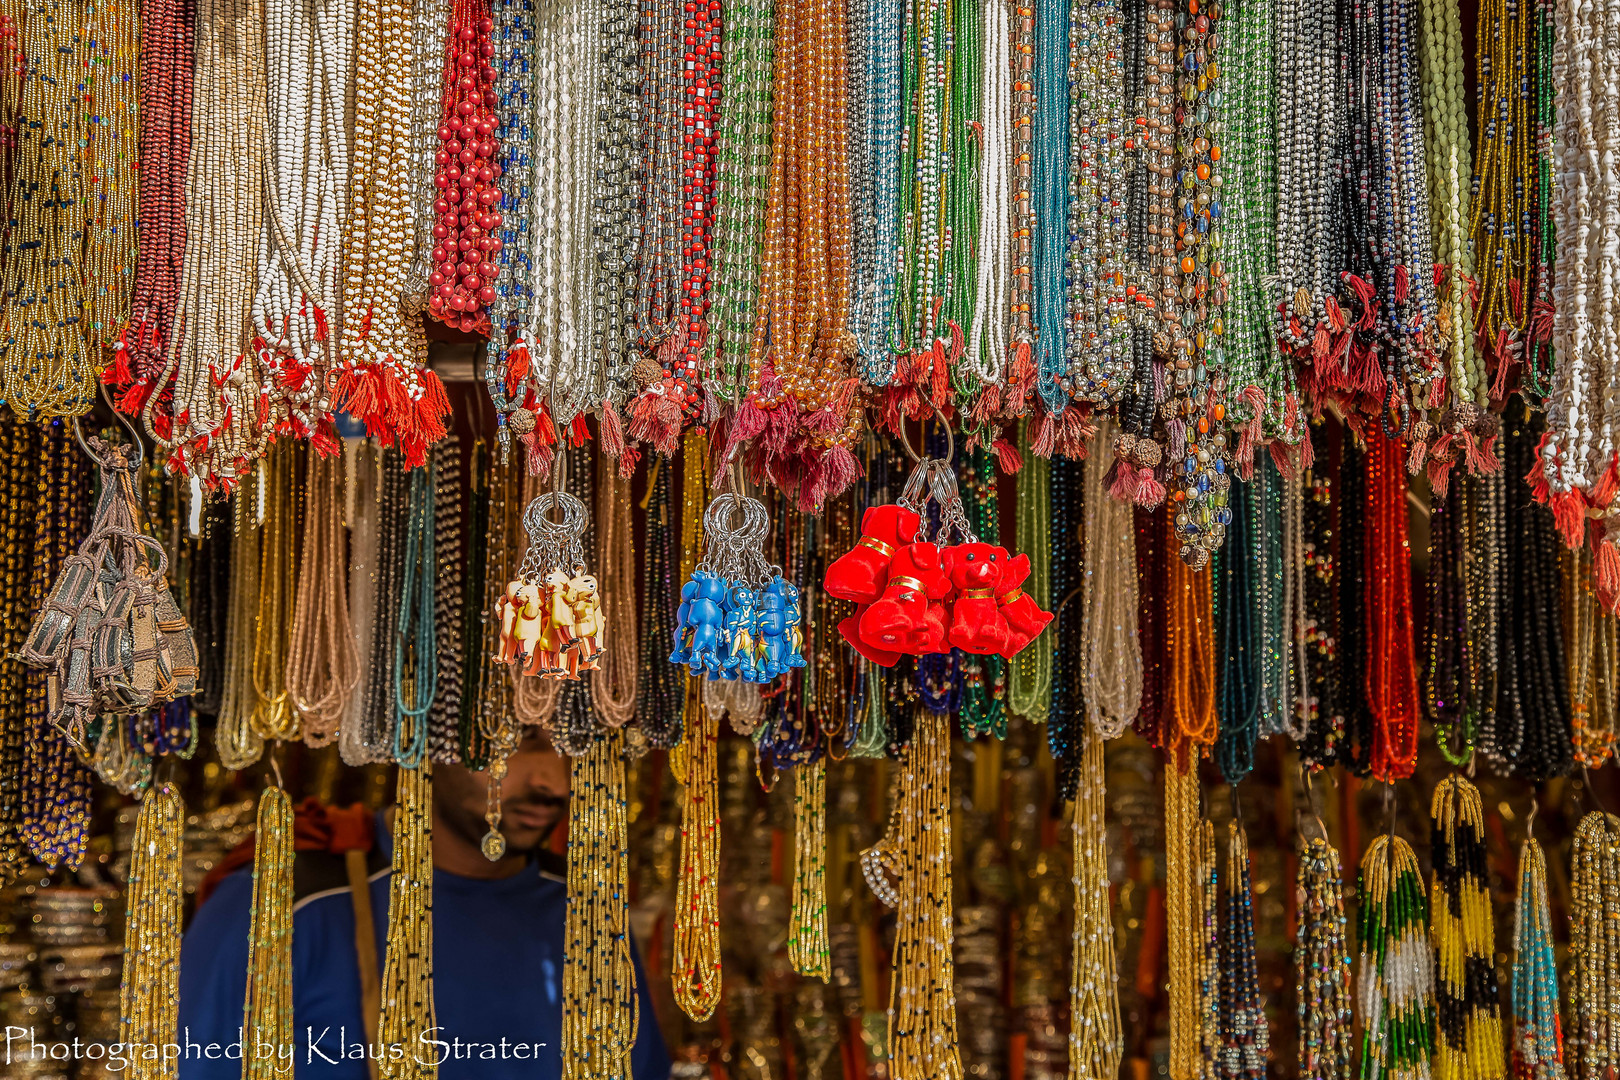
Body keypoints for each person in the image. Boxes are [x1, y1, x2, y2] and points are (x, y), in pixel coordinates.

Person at [177, 731, 670, 1079]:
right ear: (433, 731)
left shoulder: (586, 910)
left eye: (574, 741)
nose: (554, 782)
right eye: (516, 736)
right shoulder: (285, 904)